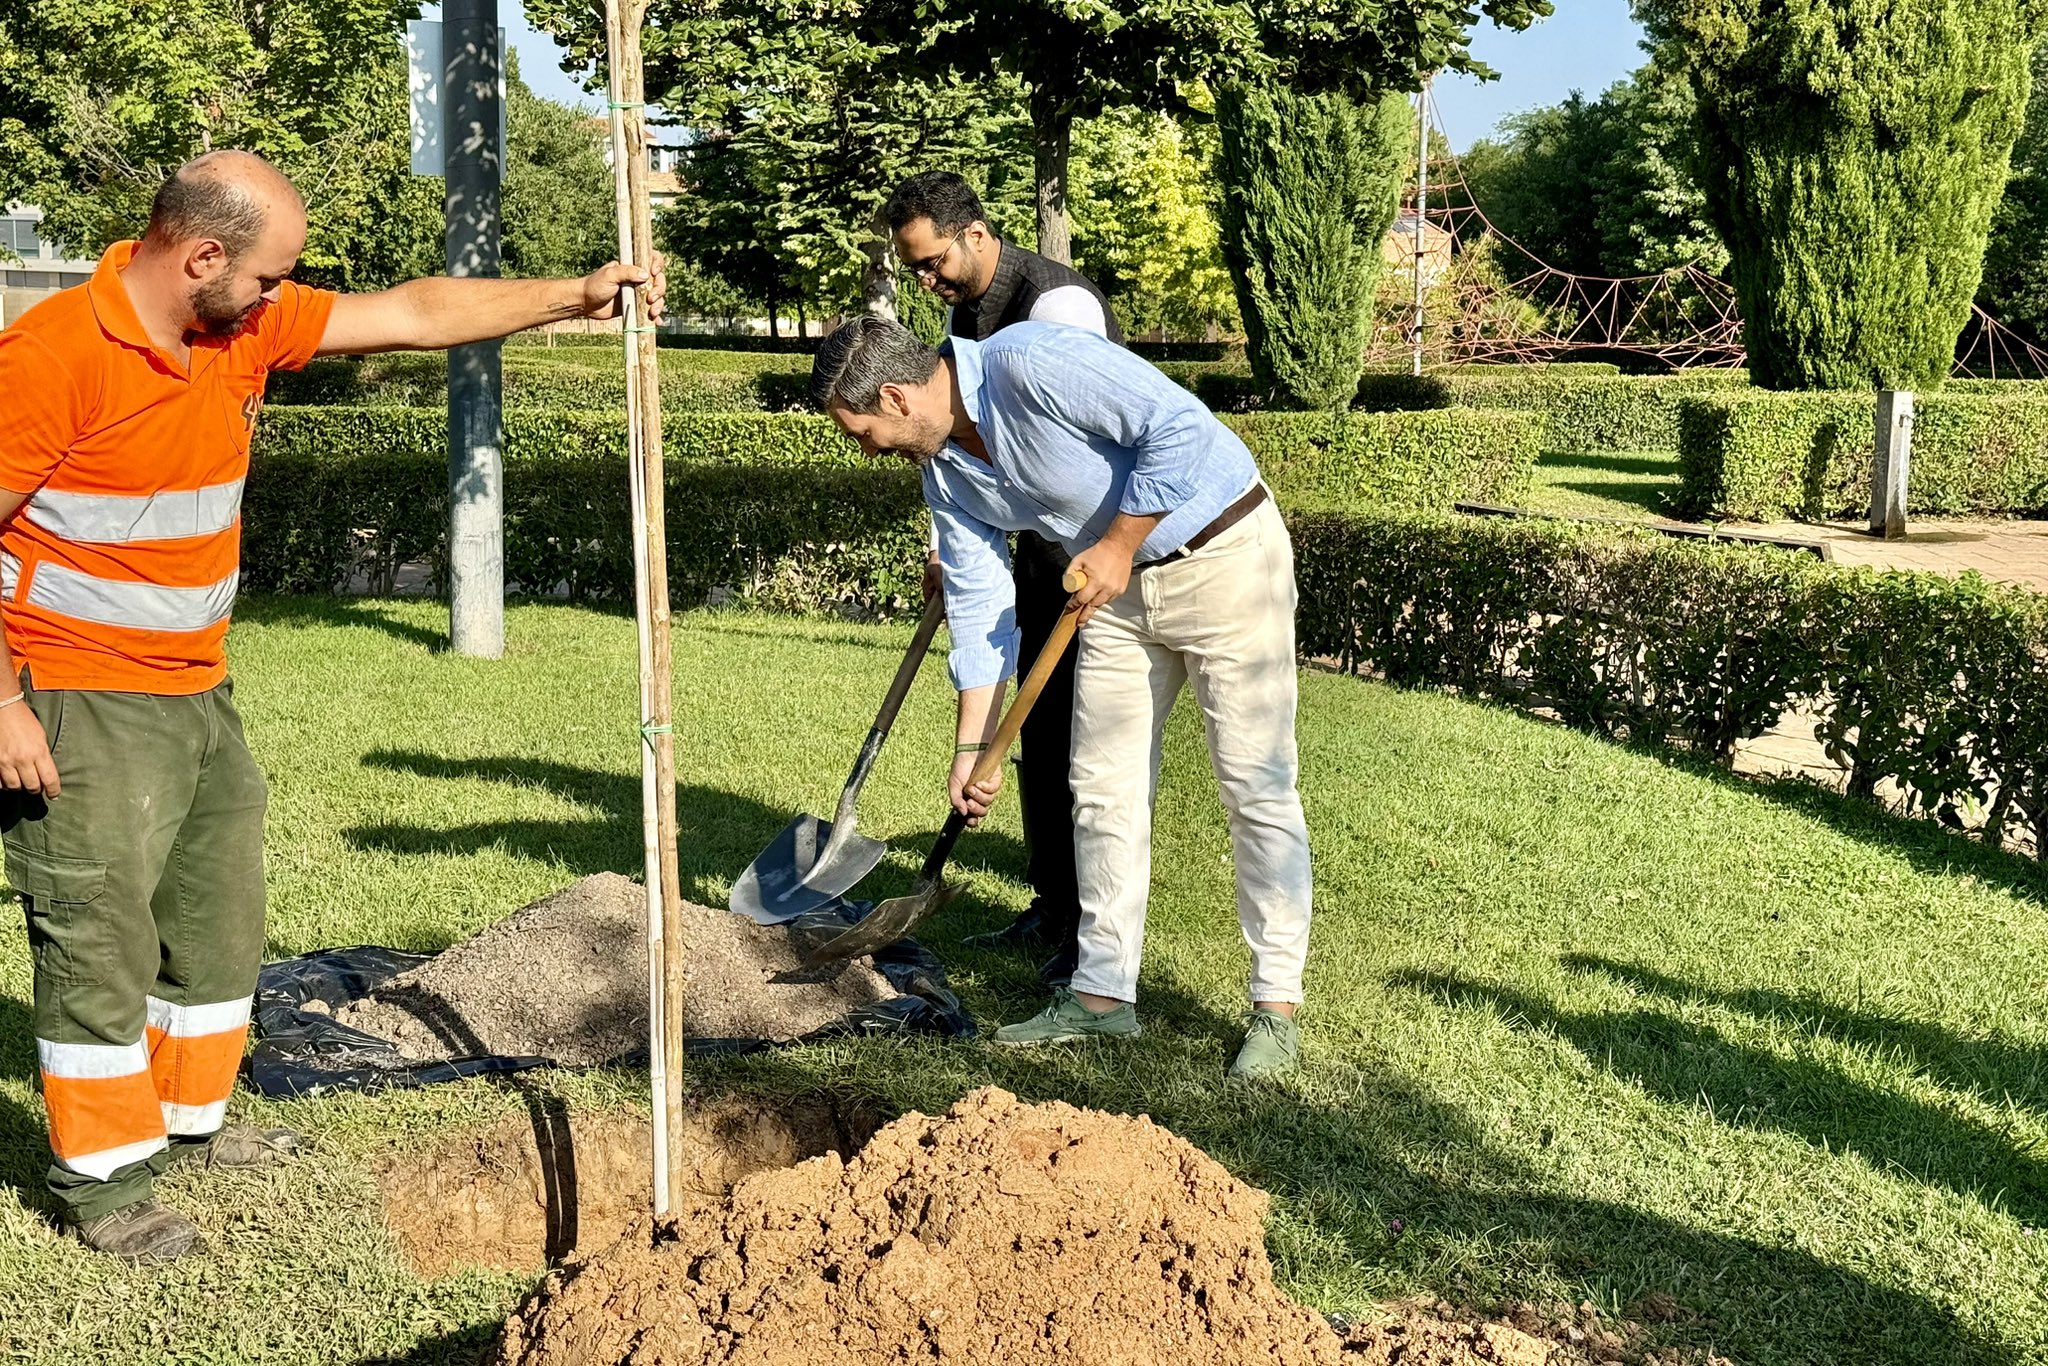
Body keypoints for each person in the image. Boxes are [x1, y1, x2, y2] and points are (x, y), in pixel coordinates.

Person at [0, 150, 666, 1263]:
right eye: (266, 276)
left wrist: (571, 295)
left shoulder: (234, 325)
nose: (279, 299)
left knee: (215, 926)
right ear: (201, 254)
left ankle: (191, 1123)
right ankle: (106, 1184)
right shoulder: (53, 355)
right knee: (99, 939)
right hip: (79, 696)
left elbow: (408, 311)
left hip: (198, 688)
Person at [807, 316, 1312, 1084]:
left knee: (1253, 785)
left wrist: (1115, 543)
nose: (865, 449)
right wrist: (973, 748)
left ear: (895, 396)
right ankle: (1104, 997)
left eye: (861, 431)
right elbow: (979, 605)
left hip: (1224, 556)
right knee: (1102, 791)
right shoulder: (943, 470)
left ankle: (1275, 1008)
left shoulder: (1030, 364)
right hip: (1109, 595)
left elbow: (1176, 427)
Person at [883, 171, 1120, 988]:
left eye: (932, 261)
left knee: (1086, 745)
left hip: (1097, 548)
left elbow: (1079, 433)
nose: (927, 280)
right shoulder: (965, 307)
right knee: (1039, 733)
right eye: (916, 268)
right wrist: (959, 540)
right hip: (1038, 544)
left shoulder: (1059, 304)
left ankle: (1095, 934)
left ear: (976, 233)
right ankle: (1053, 905)